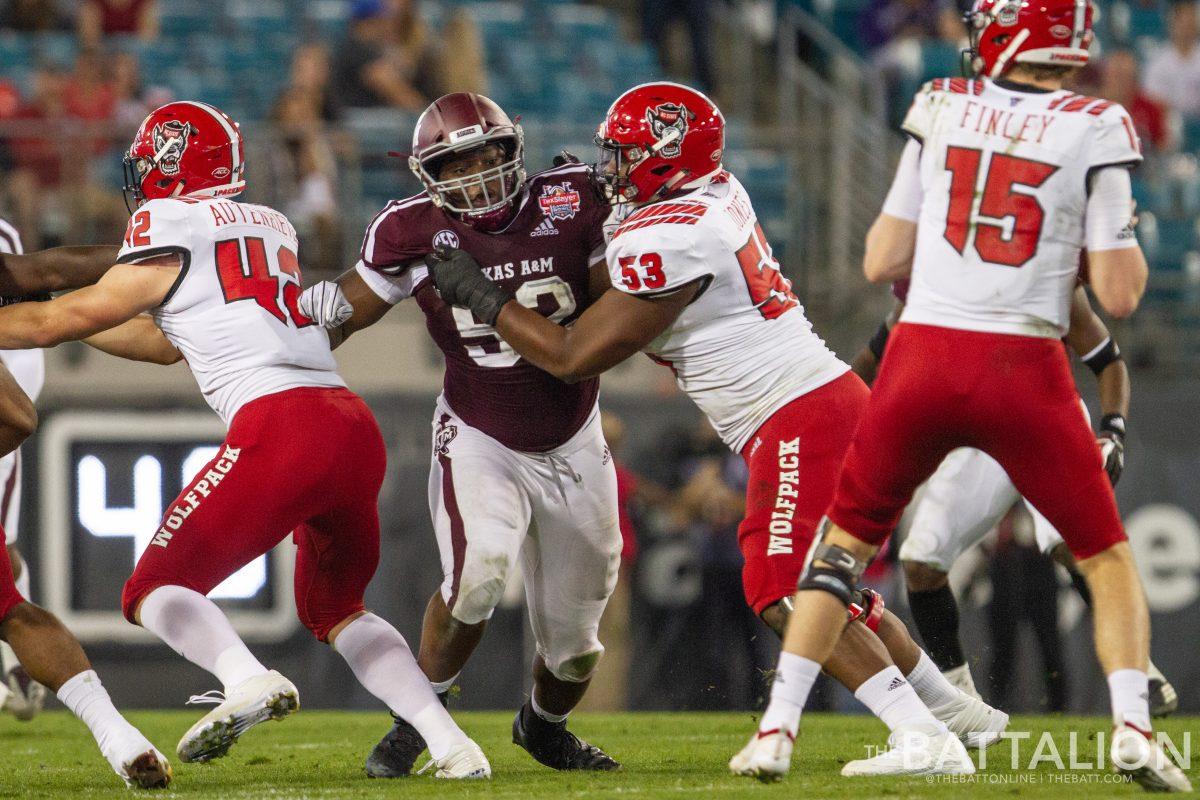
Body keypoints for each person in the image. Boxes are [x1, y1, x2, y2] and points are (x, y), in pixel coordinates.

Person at [412, 82, 1006, 776]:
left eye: (625, 154)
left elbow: (573, 357)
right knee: (827, 587)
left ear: (666, 157)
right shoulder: (714, 193)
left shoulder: (670, 238)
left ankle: (920, 736)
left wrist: (483, 296)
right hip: (819, 403)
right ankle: (956, 712)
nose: (612, 168)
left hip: (799, 414)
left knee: (783, 590)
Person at [736, 0, 1191, 789]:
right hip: (1023, 363)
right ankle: (1133, 729)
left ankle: (776, 730)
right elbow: (1119, 294)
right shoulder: (1099, 124)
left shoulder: (941, 104)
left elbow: (881, 259)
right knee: (1106, 557)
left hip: (925, 357)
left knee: (839, 550)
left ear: (1006, 37)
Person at [0, 100, 490, 779]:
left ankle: (243, 678)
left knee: (153, 589)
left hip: (280, 425)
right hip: (348, 424)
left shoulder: (166, 220)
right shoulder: (269, 225)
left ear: (169, 165)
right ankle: (451, 745)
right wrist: (48, 316)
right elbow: (162, 341)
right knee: (337, 607)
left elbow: (71, 312)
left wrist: (30, 319)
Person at [299, 91, 624, 776]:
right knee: (476, 576)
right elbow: (342, 312)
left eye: (485, 157)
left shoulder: (574, 201)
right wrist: (300, 315)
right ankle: (420, 718)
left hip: (573, 435)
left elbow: (607, 322)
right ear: (428, 175)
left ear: (513, 152)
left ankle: (544, 726)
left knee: (576, 646)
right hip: (480, 433)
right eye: (453, 165)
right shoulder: (409, 229)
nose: (472, 176)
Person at [855, 280, 1178, 717]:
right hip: (975, 431)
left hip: (1045, 414)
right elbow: (876, 353)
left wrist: (1114, 430)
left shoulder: (1047, 262)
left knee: (1074, 547)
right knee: (920, 561)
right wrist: (836, 409)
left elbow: (1107, 358)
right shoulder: (931, 265)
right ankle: (962, 704)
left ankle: (1140, 673)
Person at [1143, 0, 1200, 120]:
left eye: (1191, 20)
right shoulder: (1158, 62)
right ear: (1172, 23)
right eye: (1183, 21)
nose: (1187, 27)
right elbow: (1153, 101)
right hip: (1169, 124)